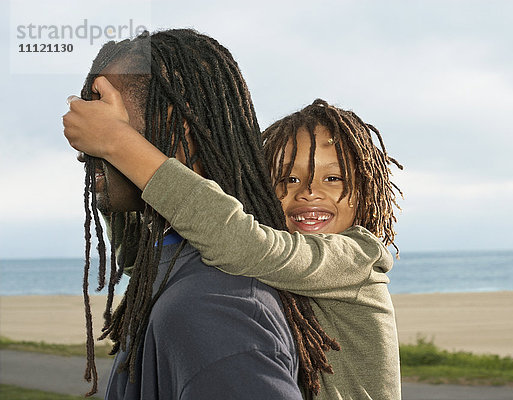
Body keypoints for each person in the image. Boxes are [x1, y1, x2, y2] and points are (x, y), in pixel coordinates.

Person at [66, 89, 404, 397]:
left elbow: (240, 241)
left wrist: (118, 143)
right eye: (288, 178)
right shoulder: (279, 259)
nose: (309, 192)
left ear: (366, 195)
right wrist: (113, 182)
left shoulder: (357, 257)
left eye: (333, 179)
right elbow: (149, 261)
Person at [63, 29, 339, 399]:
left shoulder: (215, 308)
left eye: (104, 119)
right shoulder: (172, 268)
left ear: (182, 124)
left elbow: (236, 236)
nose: (82, 141)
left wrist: (116, 143)